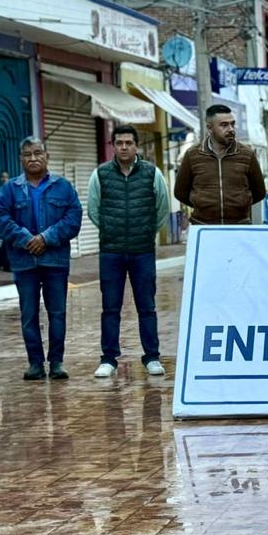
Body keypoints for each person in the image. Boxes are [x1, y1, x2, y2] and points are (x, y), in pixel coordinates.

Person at [0, 137, 82, 381]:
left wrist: (47, 237)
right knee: (29, 314)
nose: (33, 158)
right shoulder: (9, 189)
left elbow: (73, 219)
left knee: (57, 313)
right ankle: (35, 363)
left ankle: (56, 363)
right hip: (24, 263)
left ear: (47, 156)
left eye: (38, 153)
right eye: (27, 154)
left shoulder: (63, 187)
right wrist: (25, 238)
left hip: (55, 262)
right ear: (21, 159)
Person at [87, 124, 171, 380]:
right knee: (110, 308)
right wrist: (112, 230)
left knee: (147, 306)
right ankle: (109, 359)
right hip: (111, 251)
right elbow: (93, 209)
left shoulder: (152, 173)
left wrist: (146, 231)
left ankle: (152, 357)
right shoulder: (100, 174)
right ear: (113, 146)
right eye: (119, 143)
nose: (124, 147)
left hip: (142, 251)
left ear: (137, 146)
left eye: (128, 143)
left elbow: (162, 208)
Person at [173, 104, 265, 225]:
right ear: (210, 128)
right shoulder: (193, 155)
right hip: (203, 227)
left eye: (232, 124)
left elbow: (259, 191)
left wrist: (241, 204)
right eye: (224, 125)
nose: (231, 129)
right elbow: (180, 192)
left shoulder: (247, 154)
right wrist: (202, 206)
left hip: (239, 226)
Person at [0, 171, 12, 272]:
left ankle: (4, 263)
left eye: (6, 177)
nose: (4, 179)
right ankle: (4, 264)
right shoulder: (1, 192)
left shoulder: (11, 190)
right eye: (2, 177)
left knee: (7, 244)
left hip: (11, 221)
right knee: (7, 243)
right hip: (4, 221)